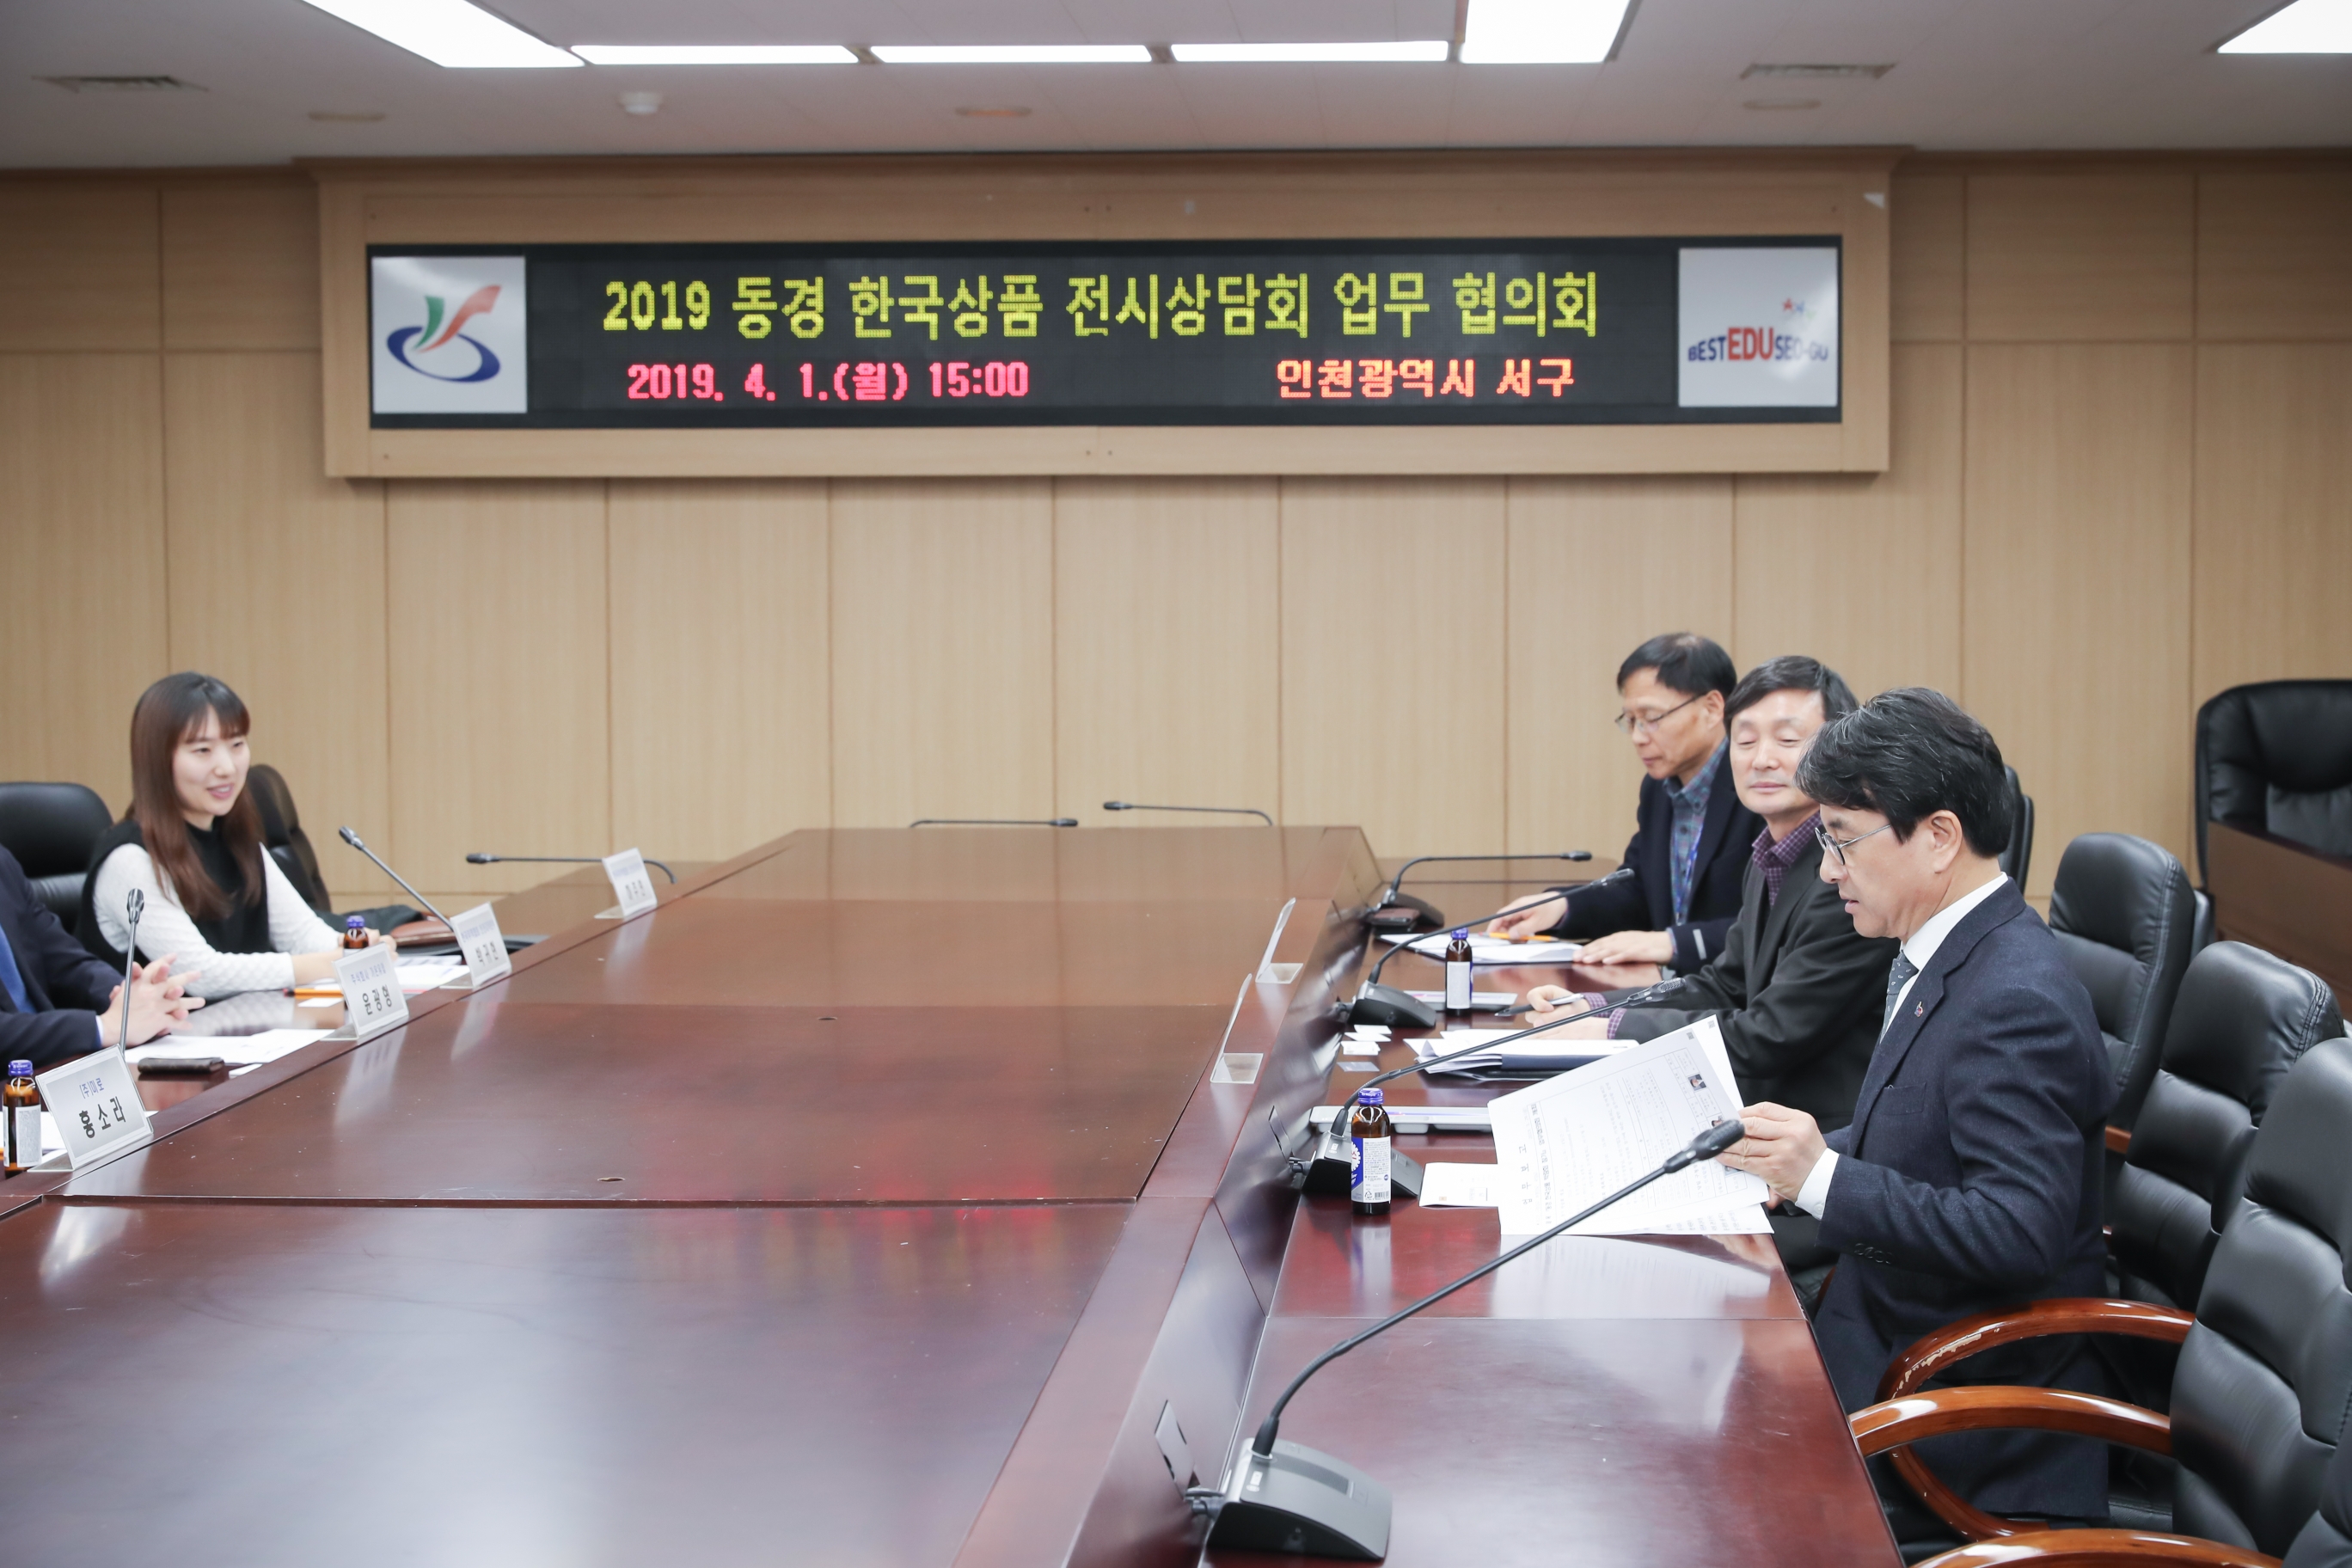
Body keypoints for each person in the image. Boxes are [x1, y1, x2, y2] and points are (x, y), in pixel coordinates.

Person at [1716, 688, 2112, 1528]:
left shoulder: (2015, 998)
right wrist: (1781, 1163)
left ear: (1938, 837)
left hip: (1951, 1415)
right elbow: (1927, 1133)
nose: (1828, 871)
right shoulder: (1943, 951)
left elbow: (2018, 1231)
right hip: (1875, 1337)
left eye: (1842, 840)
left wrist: (1822, 1178)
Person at [1518, 657, 1899, 1295]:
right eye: (1745, 741)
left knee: (1614, 1257)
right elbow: (1725, 984)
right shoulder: (1774, 853)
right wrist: (1597, 1010)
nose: (1762, 759)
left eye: (1788, 739)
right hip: (1751, 1125)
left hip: (1817, 1156)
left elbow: (1767, 1035)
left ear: (1838, 753)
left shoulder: (1843, 876)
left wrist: (1609, 1029)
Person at [79, 673, 389, 998]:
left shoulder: (236, 838)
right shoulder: (129, 858)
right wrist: (332, 962)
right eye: (202, 750)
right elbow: (199, 975)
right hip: (171, 1031)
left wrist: (357, 947)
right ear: (156, 760)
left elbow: (301, 935)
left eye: (237, 745)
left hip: (244, 1024)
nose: (227, 767)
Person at [1487, 633, 1761, 971]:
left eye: (1652, 718)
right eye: (1630, 721)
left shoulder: (1759, 788)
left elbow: (1776, 922)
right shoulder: (1658, 788)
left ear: (1712, 708)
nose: (1638, 737)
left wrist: (1672, 942)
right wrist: (1562, 906)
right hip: (1674, 987)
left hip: (1741, 991)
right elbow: (1639, 892)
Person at [0, 844, 200, 1067]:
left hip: (54, 1065)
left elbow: (64, 961)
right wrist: (104, 1027)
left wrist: (131, 999)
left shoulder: (3, 863)